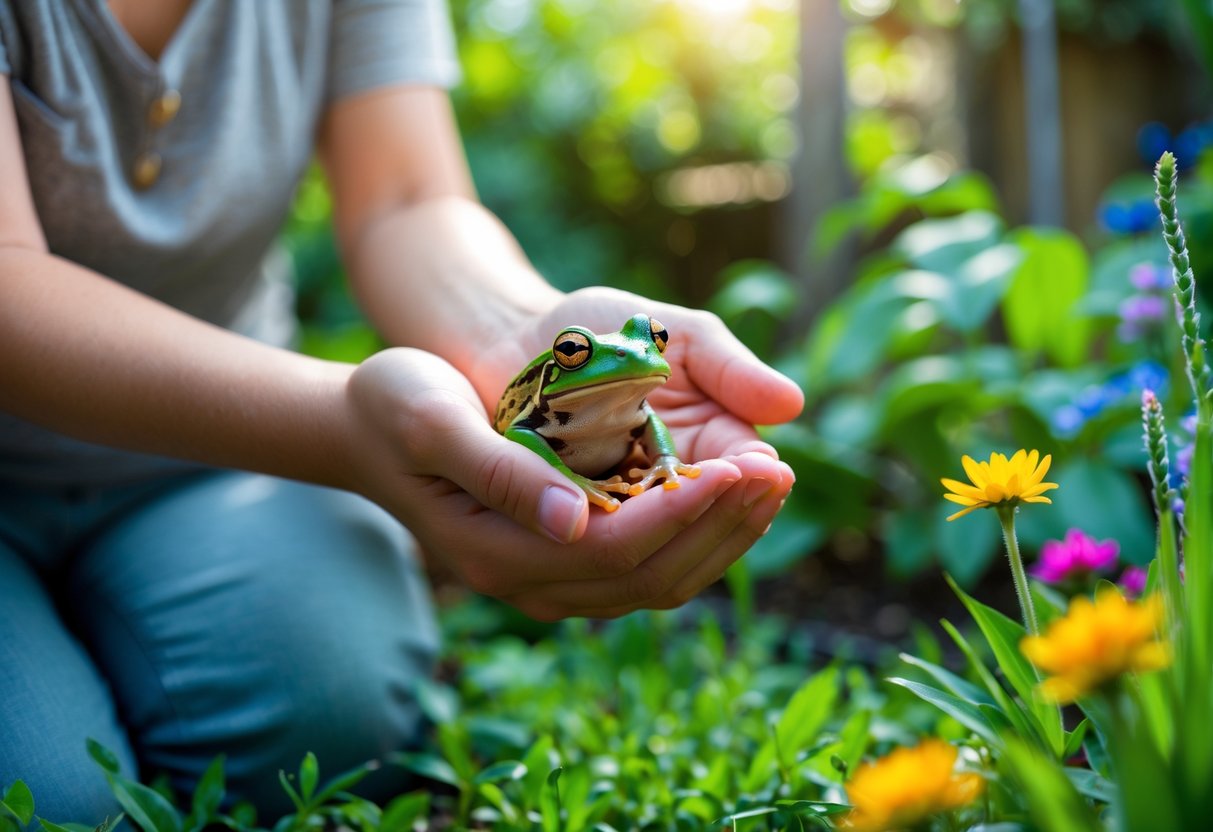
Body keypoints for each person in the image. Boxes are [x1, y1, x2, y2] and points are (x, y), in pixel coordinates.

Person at [0, 0, 802, 819]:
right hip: (132, 443)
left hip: (211, 463)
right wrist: (343, 423)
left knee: (338, 716)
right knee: (49, 804)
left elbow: (407, 199)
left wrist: (514, 330)